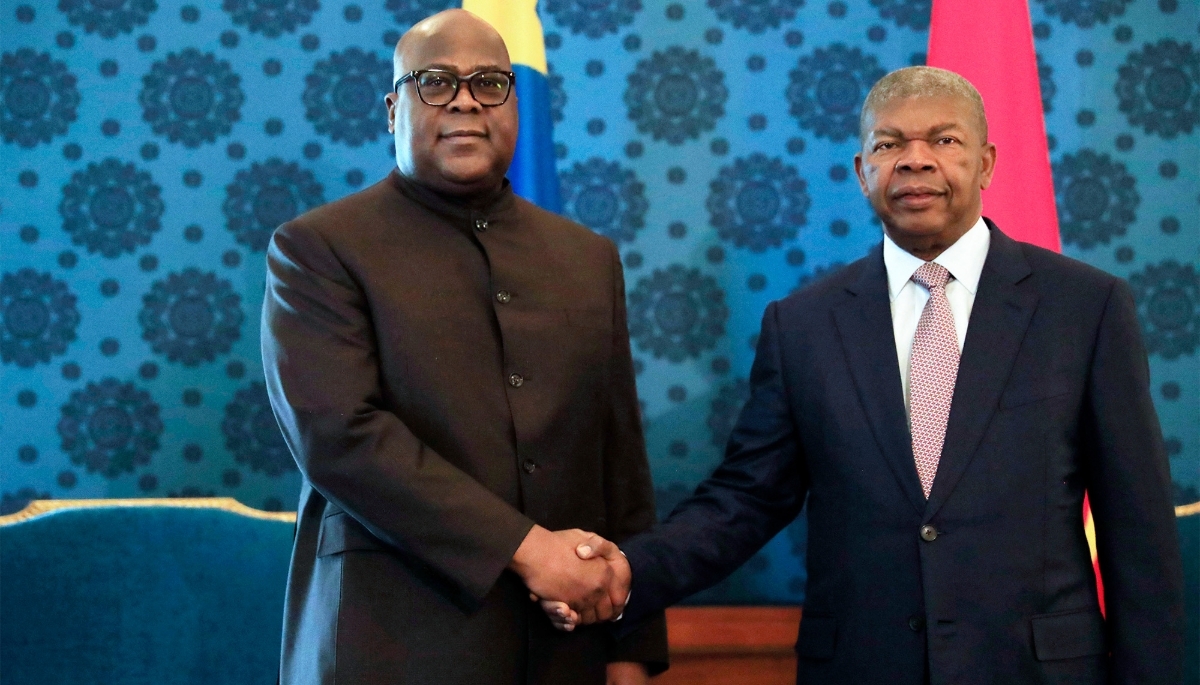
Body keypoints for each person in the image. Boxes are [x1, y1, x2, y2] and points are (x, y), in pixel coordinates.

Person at [554, 66, 1185, 684]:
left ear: (987, 163)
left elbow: (1138, 528)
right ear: (862, 173)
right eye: (889, 145)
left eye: (944, 139)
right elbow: (747, 498)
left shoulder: (1084, 307)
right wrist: (628, 571)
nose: (915, 160)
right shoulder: (803, 325)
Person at [261, 10, 665, 684]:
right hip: (390, 643)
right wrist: (529, 549)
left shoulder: (587, 259)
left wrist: (630, 650)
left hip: (563, 650)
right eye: (436, 81)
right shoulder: (319, 248)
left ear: (516, 103)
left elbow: (618, 460)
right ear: (393, 109)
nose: (466, 101)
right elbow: (339, 436)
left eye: (489, 83)